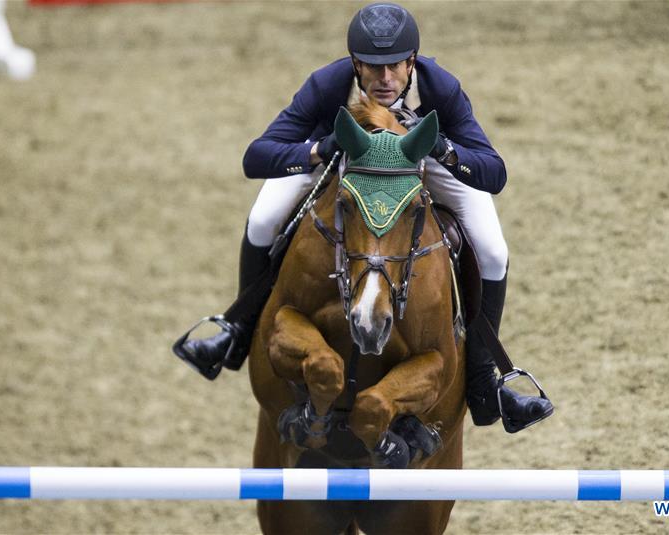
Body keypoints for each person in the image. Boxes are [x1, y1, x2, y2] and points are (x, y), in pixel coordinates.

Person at [175, 2, 552, 433]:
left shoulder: (441, 87)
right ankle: (236, 331)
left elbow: (494, 171)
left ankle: (487, 380)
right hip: (343, 162)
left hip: (420, 164)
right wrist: (317, 150)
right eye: (372, 68)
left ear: (413, 61)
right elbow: (255, 156)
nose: (385, 79)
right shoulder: (326, 84)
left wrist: (444, 149)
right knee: (263, 220)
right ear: (355, 64)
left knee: (492, 249)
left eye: (395, 66)